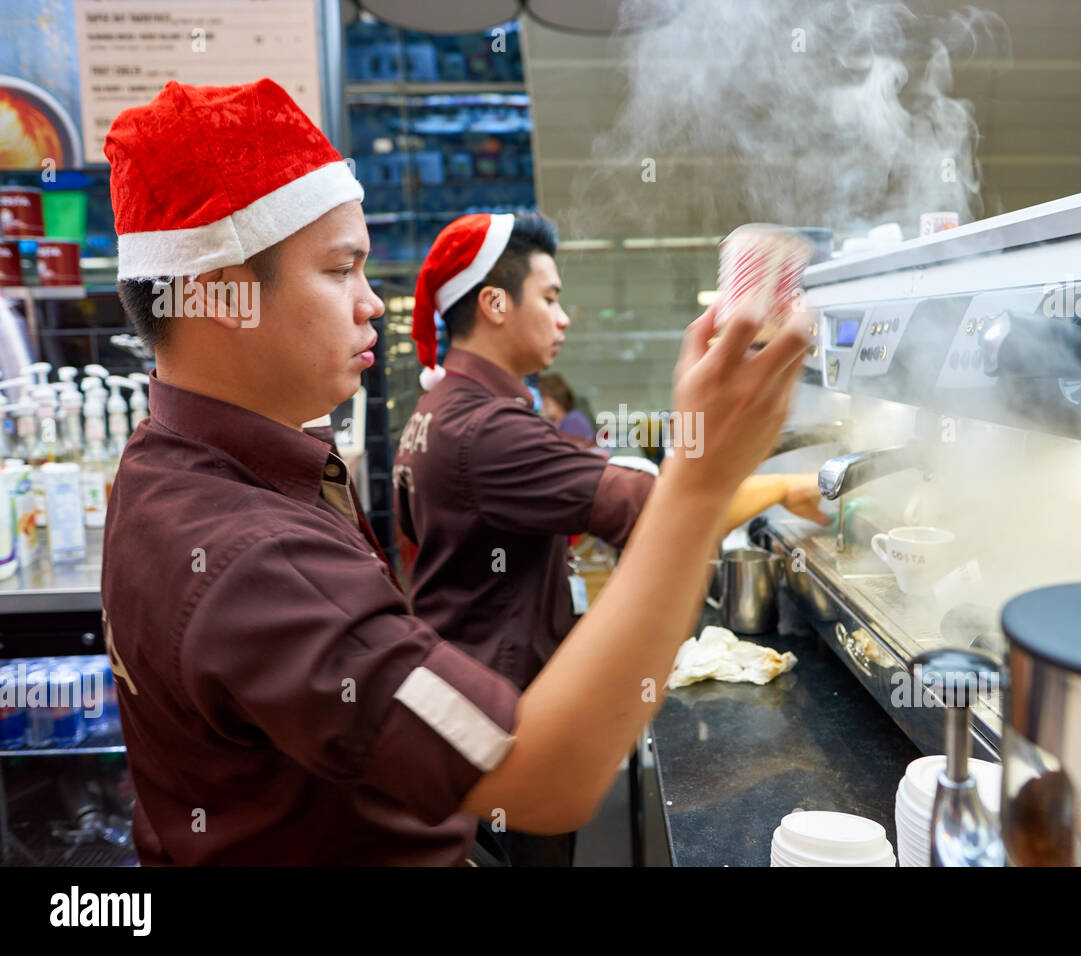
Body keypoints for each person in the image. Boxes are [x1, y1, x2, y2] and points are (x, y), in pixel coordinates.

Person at [98, 78, 810, 866]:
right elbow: (540, 781)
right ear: (220, 297)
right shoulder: (252, 553)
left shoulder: (162, 463)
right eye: (340, 271)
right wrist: (703, 481)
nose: (373, 303)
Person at [392, 212, 830, 865]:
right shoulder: (485, 429)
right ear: (493, 304)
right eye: (549, 297)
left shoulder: (441, 410)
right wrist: (788, 486)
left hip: (467, 701)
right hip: (503, 723)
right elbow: (656, 509)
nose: (563, 317)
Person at [538, 372, 596, 447]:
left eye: (547, 405)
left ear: (560, 402)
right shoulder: (555, 422)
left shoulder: (573, 419)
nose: (542, 408)